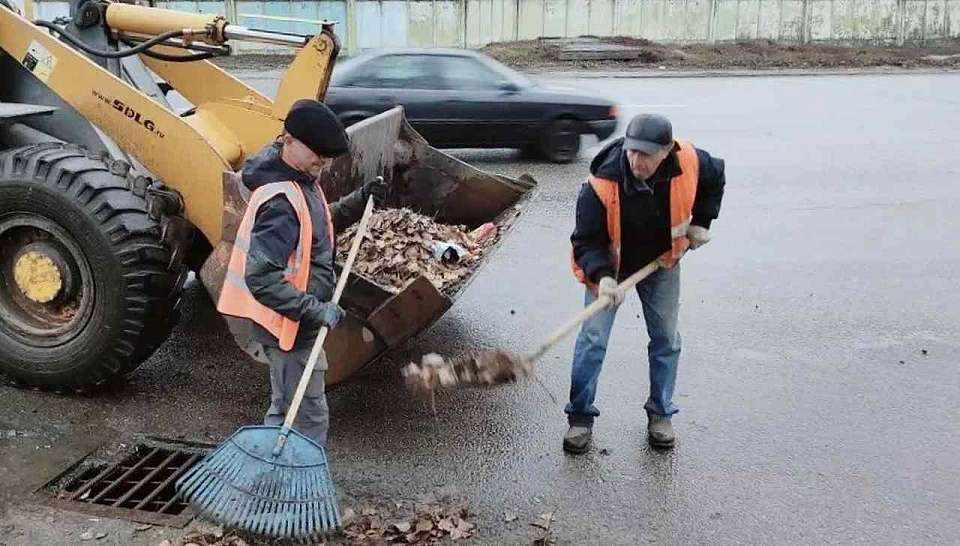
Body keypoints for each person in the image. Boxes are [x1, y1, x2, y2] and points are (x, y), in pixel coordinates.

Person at [218, 99, 386, 447]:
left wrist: (360, 200)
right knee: (305, 414)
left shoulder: (300, 180)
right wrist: (315, 309)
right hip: (288, 326)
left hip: (296, 322)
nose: (322, 163)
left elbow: (319, 227)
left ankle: (276, 476)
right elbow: (261, 280)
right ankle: (290, 486)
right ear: (289, 140)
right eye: (317, 154)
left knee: (288, 406)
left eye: (326, 157)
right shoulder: (280, 203)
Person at [564, 113, 726, 453]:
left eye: (647, 154)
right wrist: (604, 278)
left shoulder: (692, 161)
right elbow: (585, 241)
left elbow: (715, 176)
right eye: (633, 151)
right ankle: (580, 418)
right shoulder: (599, 185)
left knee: (666, 339)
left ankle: (661, 414)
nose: (637, 160)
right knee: (593, 340)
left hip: (661, 263)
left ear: (666, 151)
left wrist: (702, 221)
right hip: (612, 268)